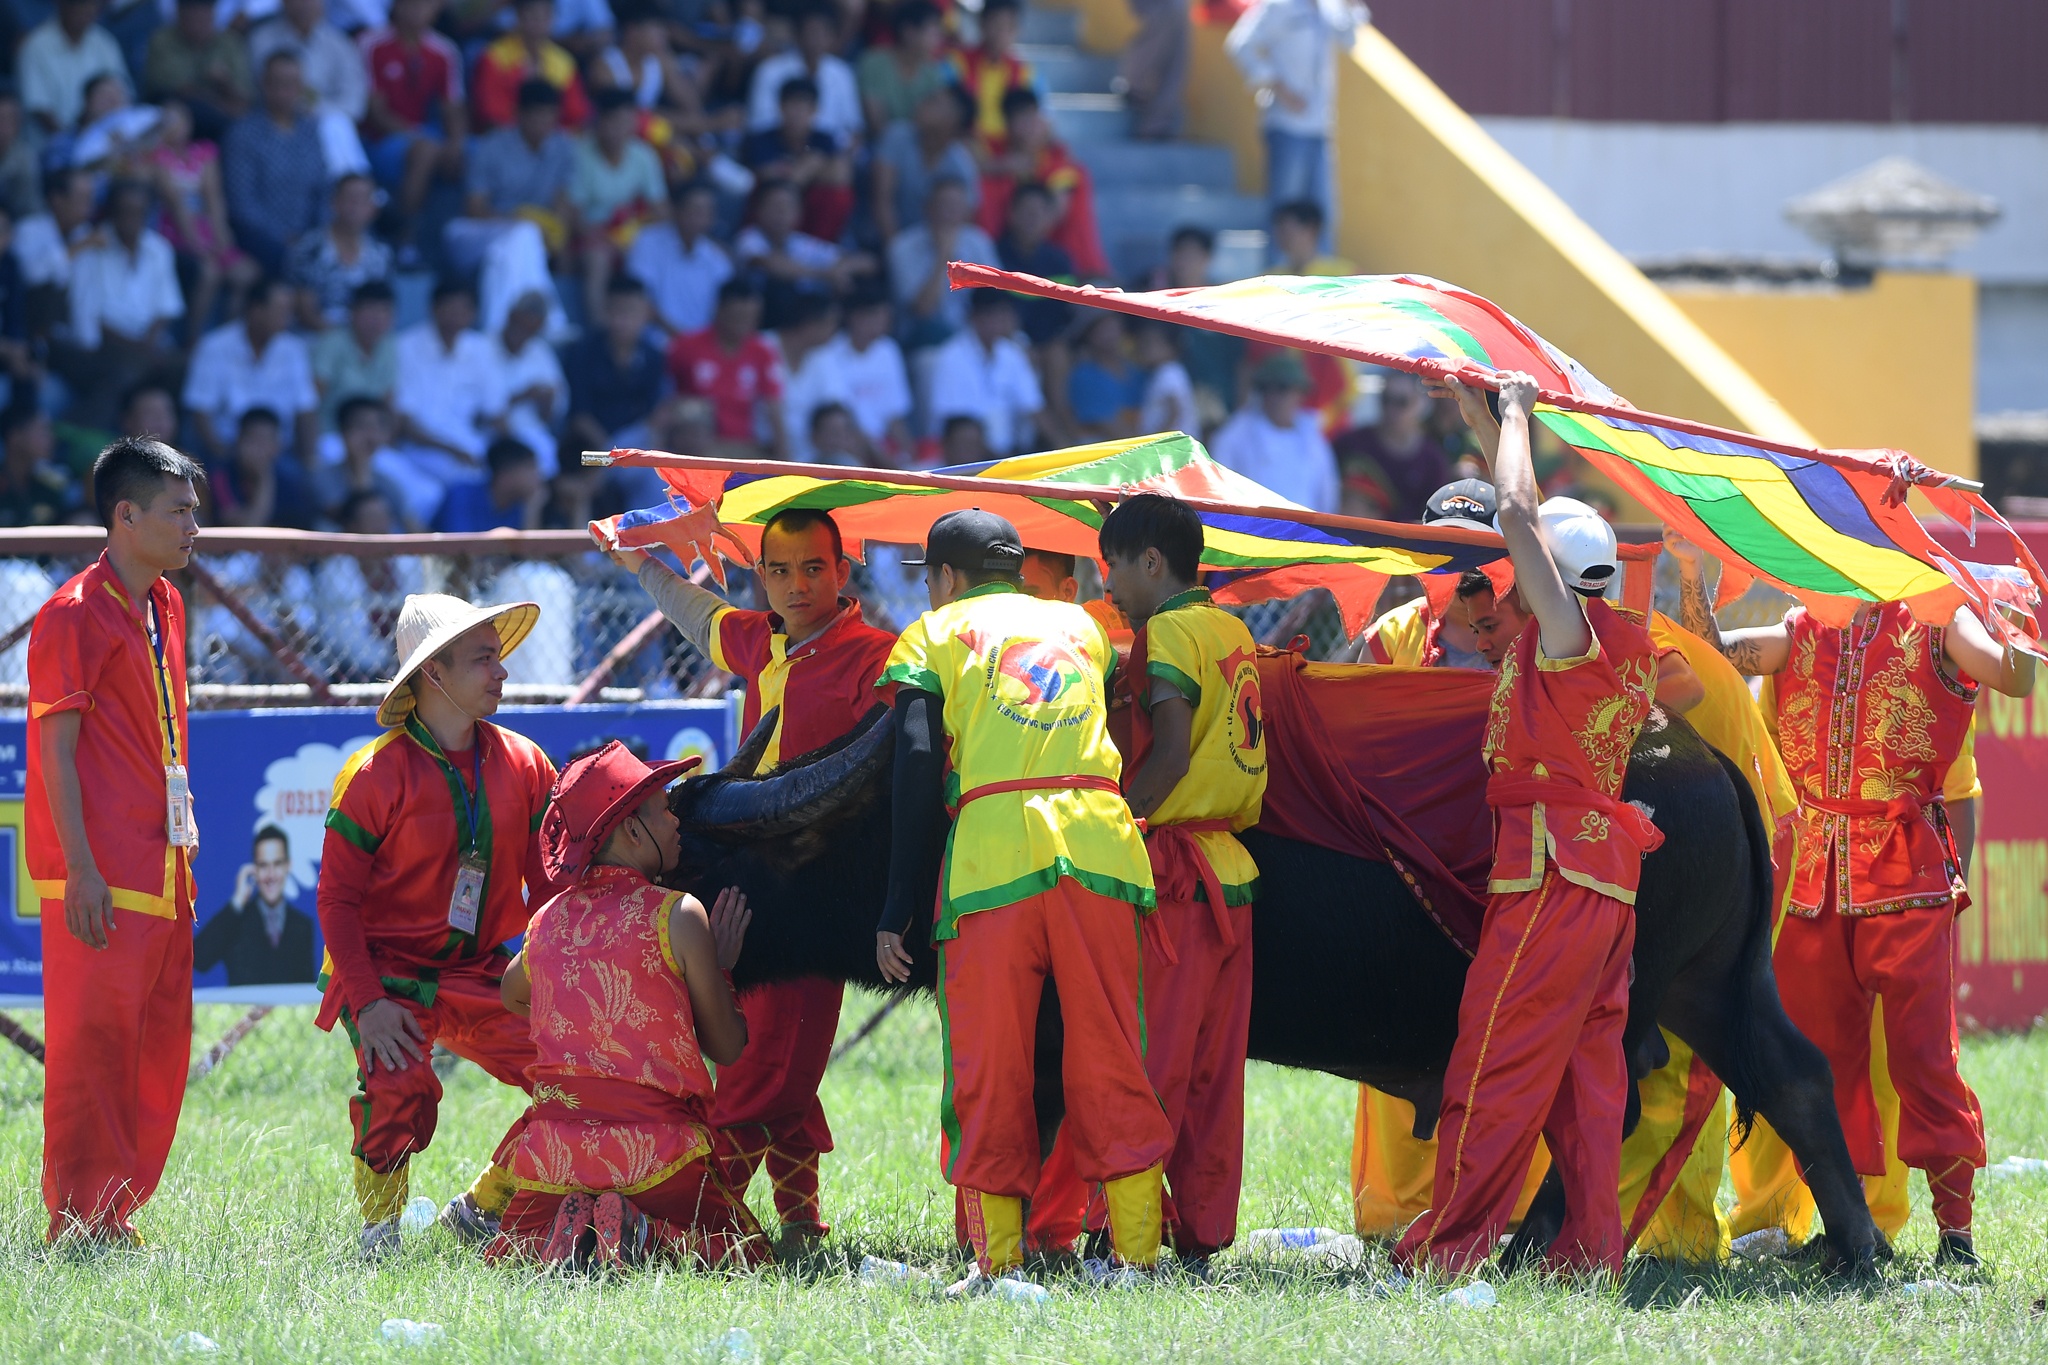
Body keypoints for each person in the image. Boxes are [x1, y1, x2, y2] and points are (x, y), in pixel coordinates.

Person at [1669, 523, 2035, 1266]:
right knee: (1818, 1060)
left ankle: (1955, 1239)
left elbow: (2014, 676)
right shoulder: (1805, 627)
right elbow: (1709, 658)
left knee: (1923, 1059)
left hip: (1905, 877)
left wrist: (2015, 614)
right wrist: (1688, 569)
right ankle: (1850, 1230)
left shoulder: (1938, 615)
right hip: (1816, 883)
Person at [1392, 372, 1660, 1278]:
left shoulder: (1568, 636)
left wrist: (1515, 415)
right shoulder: (1615, 639)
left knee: (1494, 1060)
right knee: (1588, 1081)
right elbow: (1526, 517)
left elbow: (1513, 512)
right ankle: (1591, 1254)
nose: (1501, 594)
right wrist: (1479, 417)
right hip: (1601, 883)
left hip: (1549, 877)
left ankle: (1447, 1248)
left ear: (1556, 577)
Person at [873, 508, 1171, 1285]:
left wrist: (895, 905)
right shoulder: (1084, 627)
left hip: (992, 861)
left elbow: (912, 767)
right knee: (1112, 1050)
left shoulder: (931, 635)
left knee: (990, 1062)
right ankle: (1136, 1255)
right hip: (1103, 849)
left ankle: (998, 1262)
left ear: (943, 578)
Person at [601, 506, 896, 1245]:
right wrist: (638, 560)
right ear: (760, 575)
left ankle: (706, 1221)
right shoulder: (762, 637)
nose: (797, 585)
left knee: (773, 1054)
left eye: (813, 569)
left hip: (816, 886)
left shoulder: (881, 658)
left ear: (843, 573)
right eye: (780, 570)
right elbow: (701, 617)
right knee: (769, 1040)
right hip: (746, 869)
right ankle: (799, 1220)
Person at [315, 592, 562, 1258]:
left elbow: (548, 893)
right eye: (484, 659)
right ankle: (378, 1240)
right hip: (385, 973)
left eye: (500, 656)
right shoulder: (371, 775)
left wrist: (562, 989)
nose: (501, 672)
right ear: (435, 673)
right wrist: (367, 1004)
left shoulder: (529, 763)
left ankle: (482, 1207)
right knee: (397, 1083)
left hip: (483, 969)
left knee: (576, 1074)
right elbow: (335, 902)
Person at [488, 743, 771, 1270]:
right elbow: (728, 1046)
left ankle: (580, 1231)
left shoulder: (546, 920)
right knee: (745, 1257)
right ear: (631, 831)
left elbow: (511, 992)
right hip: (659, 1159)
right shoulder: (680, 915)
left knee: (518, 1256)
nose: (675, 823)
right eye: (664, 810)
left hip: (554, 1158)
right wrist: (721, 967)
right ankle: (644, 1233)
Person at [26, 436, 202, 1242]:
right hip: (102, 875)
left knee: (157, 1049)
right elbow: (53, 754)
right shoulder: (70, 613)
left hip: (165, 866)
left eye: (194, 509)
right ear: (125, 516)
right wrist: (81, 871)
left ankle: (114, 1208)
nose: (194, 524)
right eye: (179, 510)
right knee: (91, 1051)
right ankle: (77, 1216)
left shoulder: (166, 602)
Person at [1098, 493, 1265, 1263]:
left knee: (1149, 1061)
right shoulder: (1231, 626)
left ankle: (1121, 1235)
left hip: (1174, 870)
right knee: (1211, 1072)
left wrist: (1109, 827)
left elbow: (1166, 755)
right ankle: (1200, 1232)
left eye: (1114, 565)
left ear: (1152, 563)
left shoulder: (1166, 631)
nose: (1108, 584)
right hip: (1232, 871)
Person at [1225, 0, 1365, 230]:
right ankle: (1278, 267)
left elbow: (1349, 41)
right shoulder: (1279, 6)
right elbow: (1240, 45)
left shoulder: (1329, 8)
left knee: (1322, 217)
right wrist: (1278, 87)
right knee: (1285, 217)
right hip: (1286, 125)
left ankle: (1319, 267)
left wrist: (1350, 7)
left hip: (1320, 126)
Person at [65, 178, 184, 428]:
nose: (132, 218)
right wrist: (138, 348)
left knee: (184, 368)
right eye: (125, 211)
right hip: (104, 346)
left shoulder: (158, 248)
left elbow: (166, 309)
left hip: (147, 345)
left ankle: (169, 446)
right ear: (112, 212)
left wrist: (147, 344)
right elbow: (90, 320)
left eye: (139, 212)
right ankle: (92, 440)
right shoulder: (89, 244)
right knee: (125, 371)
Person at [389, 278, 507, 524]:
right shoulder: (405, 347)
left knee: (518, 468)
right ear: (433, 308)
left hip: (470, 446)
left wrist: (507, 454)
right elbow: (405, 424)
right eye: (449, 308)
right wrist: (453, 450)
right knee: (464, 478)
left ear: (473, 314)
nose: (456, 316)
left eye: (463, 309)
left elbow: (496, 414)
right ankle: (458, 548)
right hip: (422, 448)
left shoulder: (481, 348)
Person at [1345, 479, 1496, 669]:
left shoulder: (1533, 632)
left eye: (1472, 548)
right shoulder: (1392, 634)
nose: (1457, 562)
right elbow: (1363, 698)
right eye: (1442, 547)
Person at [359, 0, 468, 257]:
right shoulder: (371, 44)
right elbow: (375, 112)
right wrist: (417, 137)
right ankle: (404, 236)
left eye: (425, 5)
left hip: (424, 135)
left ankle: (455, 239)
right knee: (426, 150)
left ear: (437, 9)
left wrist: (455, 144)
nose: (417, 10)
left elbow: (453, 108)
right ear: (396, 6)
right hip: (378, 140)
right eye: (410, 4)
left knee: (469, 153)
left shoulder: (444, 50)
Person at [182, 274, 319, 462]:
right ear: (256, 310)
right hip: (227, 450)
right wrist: (224, 457)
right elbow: (201, 412)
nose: (288, 318)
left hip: (278, 453)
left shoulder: (294, 349)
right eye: (281, 310)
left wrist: (310, 458)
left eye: (290, 311)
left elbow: (305, 408)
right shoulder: (214, 346)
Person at [977, 87, 1107, 280]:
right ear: (1008, 125)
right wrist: (999, 167)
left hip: (1076, 270)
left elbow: (1051, 216)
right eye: (1022, 120)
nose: (1030, 127)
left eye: (1034, 119)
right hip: (1013, 266)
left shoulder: (1061, 164)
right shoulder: (999, 161)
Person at [222, 52, 329, 274]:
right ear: (264, 84)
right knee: (296, 263)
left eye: (291, 84)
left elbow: (322, 188)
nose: (284, 92)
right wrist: (284, 237)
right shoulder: (243, 133)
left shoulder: (310, 130)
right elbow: (242, 204)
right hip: (258, 236)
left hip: (307, 236)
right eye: (277, 83)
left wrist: (314, 234)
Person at [667, 277, 786, 456]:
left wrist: (786, 460)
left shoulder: (762, 352)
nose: (744, 325)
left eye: (750, 318)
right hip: (697, 447)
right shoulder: (686, 347)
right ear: (719, 310)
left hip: (744, 447)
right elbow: (666, 398)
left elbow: (774, 409)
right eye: (737, 317)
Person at [1207, 351, 1337, 512]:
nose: (1274, 397)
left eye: (1283, 388)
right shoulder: (1236, 434)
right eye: (1267, 388)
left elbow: (1326, 493)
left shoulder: (1312, 437)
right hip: (1254, 530)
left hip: (1304, 531)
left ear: (1300, 393)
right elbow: (1216, 487)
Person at [194, 825, 319, 985]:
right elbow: (199, 959)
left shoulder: (302, 926)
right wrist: (236, 903)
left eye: (278, 863)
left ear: (288, 865)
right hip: (242, 1011)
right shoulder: (234, 921)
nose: (271, 875)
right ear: (254, 869)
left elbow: (304, 991)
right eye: (263, 865)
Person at [925, 287, 1041, 458]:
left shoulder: (1011, 353)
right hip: (967, 456)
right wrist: (998, 459)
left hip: (1008, 453)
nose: (997, 322)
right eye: (990, 315)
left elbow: (1035, 409)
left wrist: (1064, 447)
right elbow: (956, 427)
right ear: (974, 317)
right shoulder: (950, 357)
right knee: (966, 435)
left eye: (1001, 315)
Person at [888, 174, 998, 351]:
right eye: (944, 205)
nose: (950, 213)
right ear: (928, 208)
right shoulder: (902, 247)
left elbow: (994, 300)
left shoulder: (978, 242)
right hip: (925, 341)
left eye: (957, 206)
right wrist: (943, 257)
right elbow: (923, 310)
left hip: (973, 337)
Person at [871, 80, 978, 246]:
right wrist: (897, 253)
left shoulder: (961, 165)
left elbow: (963, 221)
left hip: (933, 250)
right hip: (882, 242)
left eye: (934, 103)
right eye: (928, 98)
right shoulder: (896, 136)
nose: (922, 104)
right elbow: (882, 201)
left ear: (954, 120)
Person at [1335, 371, 1452, 522]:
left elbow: (1434, 520)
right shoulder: (1351, 443)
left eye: (1401, 402)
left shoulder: (1433, 461)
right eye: (1386, 400)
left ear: (1421, 405)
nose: (1391, 409)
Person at [811, 286, 911, 462]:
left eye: (884, 317)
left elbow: (894, 416)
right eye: (874, 316)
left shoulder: (888, 350)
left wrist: (908, 454)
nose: (881, 323)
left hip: (883, 447)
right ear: (855, 317)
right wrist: (884, 461)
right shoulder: (830, 354)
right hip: (847, 445)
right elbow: (844, 420)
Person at [745, 1, 860, 148]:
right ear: (797, 35)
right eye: (812, 31)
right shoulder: (769, 71)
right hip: (777, 153)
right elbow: (759, 125)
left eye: (824, 32)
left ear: (833, 37)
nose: (817, 39)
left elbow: (854, 128)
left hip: (828, 156)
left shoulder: (842, 73)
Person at [626, 179, 732, 338]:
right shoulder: (647, 241)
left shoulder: (717, 260)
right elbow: (637, 297)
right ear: (676, 210)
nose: (701, 218)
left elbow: (726, 310)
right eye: (695, 210)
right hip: (653, 342)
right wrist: (681, 339)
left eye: (706, 212)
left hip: (701, 351)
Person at [289, 174, 392, 330]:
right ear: (334, 202)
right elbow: (304, 311)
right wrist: (340, 341)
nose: (356, 206)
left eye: (363, 200)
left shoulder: (382, 254)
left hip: (364, 342)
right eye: (350, 199)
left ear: (373, 209)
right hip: (313, 339)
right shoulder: (309, 247)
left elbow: (383, 307)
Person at [141, 0, 253, 140]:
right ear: (178, 16)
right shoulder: (162, 41)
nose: (197, 26)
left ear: (213, 16)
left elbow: (244, 99)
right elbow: (179, 90)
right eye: (192, 20)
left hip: (224, 114)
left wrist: (225, 83)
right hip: (178, 112)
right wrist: (220, 103)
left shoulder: (229, 43)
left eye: (204, 20)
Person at [473, 0, 592, 131]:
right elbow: (491, 112)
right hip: (506, 136)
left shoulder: (564, 62)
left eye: (545, 15)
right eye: (532, 15)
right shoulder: (494, 57)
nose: (538, 22)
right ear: (518, 16)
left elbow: (575, 115)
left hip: (552, 138)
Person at [20, 0, 131, 136]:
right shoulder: (35, 46)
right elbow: (38, 107)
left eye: (91, 6)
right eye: (80, 5)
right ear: (62, 5)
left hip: (105, 141)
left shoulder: (104, 42)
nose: (86, 11)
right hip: (53, 145)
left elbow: (122, 93)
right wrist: (71, 140)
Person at [312, 278, 397, 430]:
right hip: (329, 435)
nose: (377, 319)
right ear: (353, 312)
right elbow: (312, 400)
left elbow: (387, 403)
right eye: (370, 310)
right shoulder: (331, 343)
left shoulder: (389, 347)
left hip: (370, 438)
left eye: (384, 311)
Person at [948, 0, 1033, 147]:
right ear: (982, 24)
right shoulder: (956, 62)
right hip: (965, 143)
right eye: (997, 25)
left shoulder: (1025, 72)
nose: (1002, 33)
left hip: (1009, 147)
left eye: (1010, 27)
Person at [857, 0, 949, 131]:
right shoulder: (874, 64)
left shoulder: (932, 73)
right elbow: (877, 127)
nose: (938, 39)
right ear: (909, 32)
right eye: (932, 32)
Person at [431, 437, 544, 531]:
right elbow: (460, 550)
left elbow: (531, 556)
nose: (538, 476)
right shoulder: (461, 495)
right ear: (506, 475)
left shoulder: (522, 504)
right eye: (530, 468)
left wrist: (532, 511)